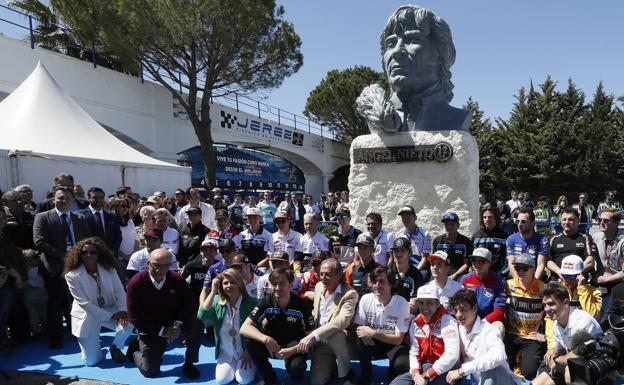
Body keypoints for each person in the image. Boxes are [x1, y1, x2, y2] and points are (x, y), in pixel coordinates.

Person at [357, 5, 470, 133]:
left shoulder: (456, 119)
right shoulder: (377, 116)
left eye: (413, 39)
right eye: (391, 43)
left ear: (441, 54)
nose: (397, 51)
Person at [126, 248, 203, 378]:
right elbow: (135, 318)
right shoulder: (135, 283)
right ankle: (134, 350)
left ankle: (189, 362)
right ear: (148, 263)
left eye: (164, 266)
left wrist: (177, 324)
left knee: (197, 324)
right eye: (155, 265)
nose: (159, 270)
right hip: (151, 328)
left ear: (170, 265)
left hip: (173, 322)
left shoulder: (177, 280)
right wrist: (163, 331)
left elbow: (189, 304)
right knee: (149, 371)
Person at [33, 186, 90, 349]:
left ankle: (76, 331)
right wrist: (65, 257)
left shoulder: (80, 218)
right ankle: (55, 336)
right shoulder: (42, 217)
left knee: (75, 302)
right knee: (55, 303)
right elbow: (40, 242)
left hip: (76, 267)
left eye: (67, 198)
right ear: (53, 200)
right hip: (54, 268)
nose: (64, 201)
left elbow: (85, 240)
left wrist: (79, 258)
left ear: (72, 201)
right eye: (60, 198)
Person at [64, 237, 133, 366]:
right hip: (87, 316)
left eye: (92, 252)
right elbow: (83, 303)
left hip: (110, 308)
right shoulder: (71, 275)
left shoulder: (109, 269)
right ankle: (95, 350)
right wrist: (112, 316)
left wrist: (122, 311)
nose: (88, 255)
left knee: (127, 327)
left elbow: (119, 290)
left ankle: (115, 347)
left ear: (99, 254)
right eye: (84, 252)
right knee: (92, 361)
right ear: (79, 255)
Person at [240, 268, 315, 385]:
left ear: (290, 285)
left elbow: (311, 336)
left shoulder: (301, 304)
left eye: (282, 283)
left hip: (294, 345)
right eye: (274, 284)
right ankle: (269, 378)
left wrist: (291, 351)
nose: (277, 287)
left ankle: (293, 368)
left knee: (296, 369)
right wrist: (266, 339)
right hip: (272, 345)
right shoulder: (266, 302)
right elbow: (244, 327)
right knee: (250, 342)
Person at [297, 258, 359, 385]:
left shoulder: (350, 294)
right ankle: (330, 364)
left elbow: (342, 321)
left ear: (339, 275)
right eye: (321, 274)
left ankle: (347, 373)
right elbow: (317, 311)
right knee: (316, 382)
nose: (323, 278)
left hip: (340, 341)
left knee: (337, 333)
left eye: (328, 274)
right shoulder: (319, 287)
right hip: (320, 341)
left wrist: (313, 336)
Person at [532, 282, 602, 385]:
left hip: (595, 362)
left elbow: (577, 355)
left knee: (570, 375)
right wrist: (552, 359)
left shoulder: (582, 321)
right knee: (537, 382)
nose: (546, 309)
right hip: (571, 361)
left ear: (566, 303)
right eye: (544, 305)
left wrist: (557, 360)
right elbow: (557, 350)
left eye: (551, 304)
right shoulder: (557, 323)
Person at [446, 289, 521, 385]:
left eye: (463, 310)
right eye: (456, 310)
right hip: (476, 380)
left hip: (500, 380)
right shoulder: (459, 328)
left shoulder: (488, 330)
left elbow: (499, 356)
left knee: (491, 370)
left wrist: (462, 371)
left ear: (475, 309)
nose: (459, 315)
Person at [390, 285, 460, 385]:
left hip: (449, 368)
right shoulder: (416, 322)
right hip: (427, 365)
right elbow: (414, 351)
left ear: (437, 303)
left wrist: (428, 375)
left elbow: (451, 356)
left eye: (429, 302)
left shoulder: (448, 322)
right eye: (421, 302)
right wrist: (415, 374)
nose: (425, 306)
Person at [198, 268, 257, 385]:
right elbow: (201, 316)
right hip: (226, 352)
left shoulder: (252, 302)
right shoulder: (216, 301)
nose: (229, 286)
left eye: (233, 282)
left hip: (245, 351)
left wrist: (249, 352)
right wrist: (213, 291)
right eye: (225, 283)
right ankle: (231, 364)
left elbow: (258, 329)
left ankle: (254, 363)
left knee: (243, 380)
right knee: (222, 380)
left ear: (240, 283)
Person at [354, 266, 411, 385]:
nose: (377, 285)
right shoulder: (365, 299)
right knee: (360, 340)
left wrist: (374, 333)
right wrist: (362, 332)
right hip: (372, 342)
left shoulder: (402, 303)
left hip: (393, 344)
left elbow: (398, 339)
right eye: (374, 281)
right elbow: (358, 325)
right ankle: (367, 377)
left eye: (381, 281)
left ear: (391, 284)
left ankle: (393, 372)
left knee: (402, 365)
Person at [504, 253, 547, 381]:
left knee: (530, 373)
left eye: (524, 268)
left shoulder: (542, 288)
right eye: (517, 268)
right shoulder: (508, 285)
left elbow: (550, 314)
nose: (520, 271)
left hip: (531, 336)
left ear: (533, 269)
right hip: (512, 335)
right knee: (504, 367)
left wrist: (545, 336)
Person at [547, 208, 597, 282]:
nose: (566, 222)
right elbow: (548, 260)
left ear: (578, 221)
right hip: (558, 279)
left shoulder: (585, 237)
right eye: (564, 219)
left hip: (579, 278)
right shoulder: (553, 238)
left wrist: (574, 274)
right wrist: (560, 272)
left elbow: (590, 261)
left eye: (571, 220)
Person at [459, 248, 506, 324]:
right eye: (474, 261)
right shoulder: (464, 279)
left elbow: (499, 312)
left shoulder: (499, 282)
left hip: (488, 322)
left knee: (499, 326)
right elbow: (459, 305)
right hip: (468, 320)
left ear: (489, 264)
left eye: (481, 261)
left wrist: (481, 324)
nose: (477, 265)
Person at [506, 207, 549, 281]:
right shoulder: (511, 239)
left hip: (535, 276)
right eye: (517, 221)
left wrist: (534, 283)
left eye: (523, 221)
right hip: (517, 276)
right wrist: (518, 282)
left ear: (532, 223)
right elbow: (511, 263)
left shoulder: (543, 240)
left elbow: (541, 264)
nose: (519, 224)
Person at [78, 187, 122, 257]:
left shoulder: (111, 216)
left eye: (101, 197)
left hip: (110, 257)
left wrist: (112, 251)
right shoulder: (79, 215)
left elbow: (118, 236)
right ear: (89, 198)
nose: (98, 200)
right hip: (89, 257)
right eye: (95, 197)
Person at [432, 212, 473, 280]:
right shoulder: (438, 241)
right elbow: (435, 262)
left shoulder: (465, 242)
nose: (449, 226)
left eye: (452, 224)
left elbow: (466, 264)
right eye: (447, 224)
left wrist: (455, 275)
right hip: (441, 272)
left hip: (460, 274)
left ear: (458, 225)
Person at [390, 237, 425, 314]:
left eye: (402, 251)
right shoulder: (387, 272)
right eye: (396, 251)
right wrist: (405, 305)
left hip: (408, 318)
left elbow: (413, 308)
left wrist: (391, 305)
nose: (398, 254)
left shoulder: (416, 275)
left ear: (409, 253)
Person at [472, 206, 509, 275]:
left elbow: (508, 259)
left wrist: (501, 274)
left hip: (499, 275)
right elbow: (472, 259)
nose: (487, 219)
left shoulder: (504, 236)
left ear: (496, 218)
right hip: (480, 275)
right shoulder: (476, 237)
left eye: (490, 217)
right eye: (484, 217)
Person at [395, 205, 431, 275]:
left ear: (415, 217)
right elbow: (395, 255)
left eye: (408, 217)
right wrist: (400, 270)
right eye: (403, 217)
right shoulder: (398, 234)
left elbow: (425, 258)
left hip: (419, 267)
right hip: (402, 266)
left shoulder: (425, 234)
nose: (406, 219)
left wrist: (414, 272)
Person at [109, 197, 138, 284]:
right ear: (115, 207)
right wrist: (125, 256)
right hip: (120, 259)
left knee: (133, 282)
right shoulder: (111, 221)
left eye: (128, 206)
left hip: (133, 258)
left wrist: (134, 254)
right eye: (123, 206)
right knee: (121, 283)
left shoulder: (129, 221)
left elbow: (136, 238)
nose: (126, 208)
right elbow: (113, 242)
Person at [345, 234, 381, 298]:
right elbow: (348, 292)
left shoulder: (380, 269)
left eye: (365, 248)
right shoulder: (350, 269)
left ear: (373, 250)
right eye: (360, 248)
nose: (362, 251)